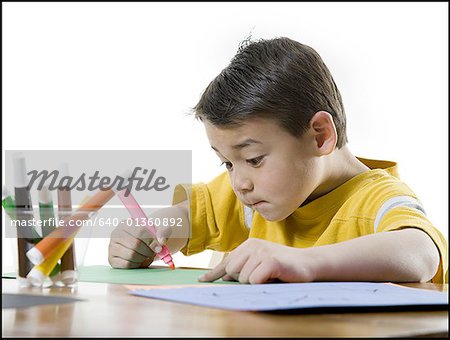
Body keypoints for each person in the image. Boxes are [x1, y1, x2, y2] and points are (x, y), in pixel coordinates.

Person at [108, 37, 448, 284]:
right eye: (227, 163)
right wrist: (152, 232)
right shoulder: (254, 198)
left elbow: (421, 252)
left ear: (319, 135)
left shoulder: (376, 200)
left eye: (253, 159)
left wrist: (307, 263)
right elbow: (188, 218)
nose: (239, 182)